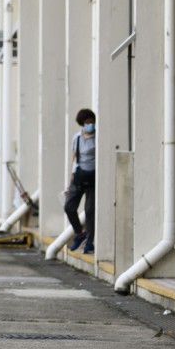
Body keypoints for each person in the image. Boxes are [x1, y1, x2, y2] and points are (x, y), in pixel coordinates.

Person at [64, 108, 96, 255]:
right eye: (87, 122)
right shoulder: (77, 138)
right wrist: (70, 181)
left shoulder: (97, 138)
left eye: (92, 122)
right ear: (82, 123)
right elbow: (74, 159)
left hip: (93, 176)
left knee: (90, 210)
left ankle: (89, 241)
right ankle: (79, 232)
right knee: (69, 207)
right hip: (79, 175)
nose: (90, 125)